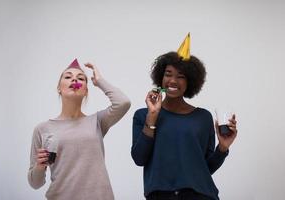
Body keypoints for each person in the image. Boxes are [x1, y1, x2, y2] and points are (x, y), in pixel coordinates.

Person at [131, 34, 237, 200]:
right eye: (168, 74)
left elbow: (205, 169)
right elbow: (139, 158)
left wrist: (222, 148)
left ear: (190, 82)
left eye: (181, 76)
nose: (173, 80)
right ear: (161, 77)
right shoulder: (142, 115)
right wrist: (152, 117)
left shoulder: (203, 117)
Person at [28, 59, 131, 200]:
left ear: (85, 91)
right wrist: (39, 167)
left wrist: (99, 81)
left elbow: (123, 103)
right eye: (68, 77)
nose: (74, 79)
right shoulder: (42, 129)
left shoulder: (97, 121)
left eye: (80, 78)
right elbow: (35, 183)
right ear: (59, 88)